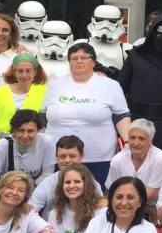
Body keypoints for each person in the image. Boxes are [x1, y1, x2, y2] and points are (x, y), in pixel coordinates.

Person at [44, 41, 131, 186]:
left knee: (95, 196)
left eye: (84, 57)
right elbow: (43, 117)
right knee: (59, 194)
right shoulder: (54, 85)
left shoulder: (110, 85)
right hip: (59, 159)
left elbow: (121, 116)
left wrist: (128, 142)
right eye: (74, 58)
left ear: (94, 62)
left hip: (99, 158)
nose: (78, 61)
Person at [118, 15, 162, 154]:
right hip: (135, 120)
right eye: (159, 34)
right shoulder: (135, 56)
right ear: (152, 34)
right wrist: (118, 120)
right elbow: (119, 90)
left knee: (161, 161)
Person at [45, 163, 106, 233]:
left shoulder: (100, 211)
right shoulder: (55, 213)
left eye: (77, 182)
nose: (71, 186)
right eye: (67, 182)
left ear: (86, 184)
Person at [105, 118, 162, 215]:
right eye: (132, 138)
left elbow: (151, 194)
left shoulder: (159, 159)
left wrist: (125, 203)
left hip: (156, 207)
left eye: (141, 139)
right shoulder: (117, 160)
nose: (136, 143)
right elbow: (113, 191)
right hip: (127, 207)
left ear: (150, 140)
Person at [0, 109, 57, 191]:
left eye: (30, 131)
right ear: (14, 131)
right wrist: (2, 193)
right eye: (21, 130)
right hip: (8, 190)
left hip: (35, 189)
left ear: (38, 130)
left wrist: (30, 194)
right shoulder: (4, 144)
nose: (25, 136)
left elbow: (47, 173)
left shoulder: (47, 142)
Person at [30, 135, 97, 218]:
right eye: (62, 157)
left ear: (81, 156)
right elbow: (29, 211)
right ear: (56, 157)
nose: (67, 160)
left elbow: (100, 211)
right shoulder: (46, 184)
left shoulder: (92, 184)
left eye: (72, 156)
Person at [0, 51, 47, 145]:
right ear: (14, 73)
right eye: (20, 71)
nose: (24, 75)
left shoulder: (43, 91)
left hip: (28, 145)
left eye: (28, 71)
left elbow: (44, 123)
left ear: (35, 72)